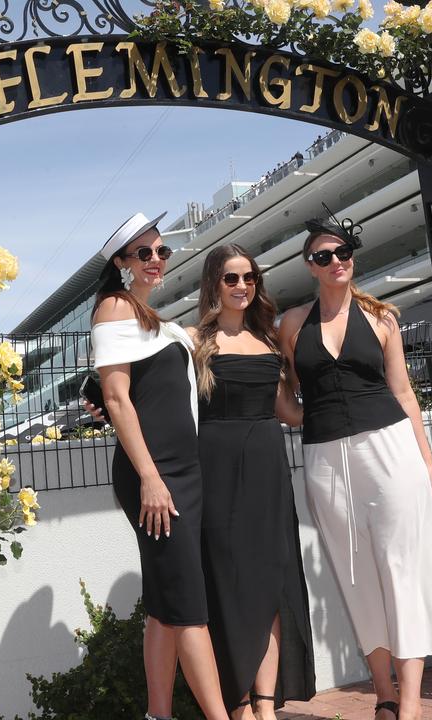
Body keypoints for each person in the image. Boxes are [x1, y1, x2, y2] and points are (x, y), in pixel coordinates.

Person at [278, 213, 432, 720]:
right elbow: (286, 404)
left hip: (390, 450)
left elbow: (404, 392)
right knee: (355, 576)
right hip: (325, 458)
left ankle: (412, 705)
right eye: (324, 256)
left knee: (402, 570)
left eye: (343, 253)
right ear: (310, 266)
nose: (336, 262)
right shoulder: (291, 324)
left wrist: (429, 463)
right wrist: (323, 411)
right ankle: (384, 696)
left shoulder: (381, 318)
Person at [91, 212, 231, 720]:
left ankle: (157, 715)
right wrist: (150, 477)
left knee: (166, 606)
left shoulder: (163, 324)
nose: (156, 260)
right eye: (143, 253)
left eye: (161, 251)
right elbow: (117, 398)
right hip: (156, 475)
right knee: (189, 606)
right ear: (122, 263)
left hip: (182, 473)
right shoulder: (113, 308)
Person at [189, 245, 316, 720]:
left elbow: (287, 411)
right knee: (227, 587)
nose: (242, 286)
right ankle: (237, 702)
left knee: (272, 584)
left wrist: (340, 412)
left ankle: (266, 707)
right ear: (213, 284)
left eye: (250, 277)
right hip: (216, 473)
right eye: (231, 278)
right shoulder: (193, 341)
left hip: (267, 471)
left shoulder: (268, 340)